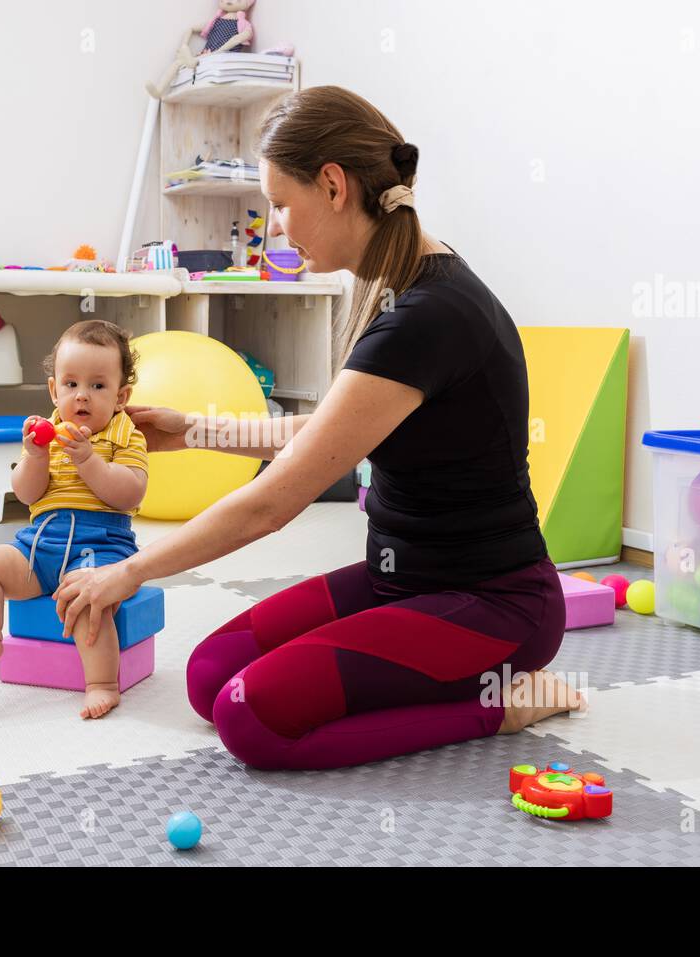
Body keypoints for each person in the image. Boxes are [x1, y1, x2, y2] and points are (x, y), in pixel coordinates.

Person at [55, 85, 585, 768]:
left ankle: (497, 704)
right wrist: (191, 429)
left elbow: (272, 504)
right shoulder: (406, 282)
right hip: (402, 579)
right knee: (210, 676)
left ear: (333, 185)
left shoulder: (427, 315)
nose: (274, 224)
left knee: (253, 721)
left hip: (492, 605)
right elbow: (333, 430)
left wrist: (127, 571)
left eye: (280, 203)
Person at [0, 320, 149, 720]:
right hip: (39, 545)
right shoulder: (49, 434)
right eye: (71, 384)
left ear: (120, 396)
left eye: (97, 386)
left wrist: (89, 461)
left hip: (102, 546)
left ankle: (102, 683)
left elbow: (130, 492)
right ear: (53, 390)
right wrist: (36, 457)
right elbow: (26, 493)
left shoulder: (126, 435)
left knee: (86, 597)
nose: (82, 396)